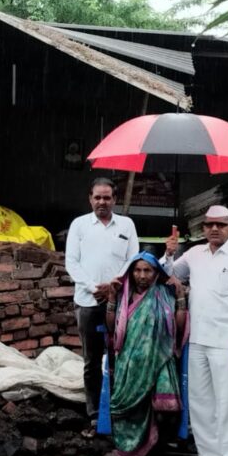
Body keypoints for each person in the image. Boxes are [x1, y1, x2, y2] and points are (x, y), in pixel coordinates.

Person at [164, 205, 228, 456]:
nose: (214, 229)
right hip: (198, 339)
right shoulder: (194, 254)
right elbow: (170, 276)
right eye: (209, 225)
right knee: (201, 403)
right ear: (202, 229)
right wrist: (169, 252)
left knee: (227, 404)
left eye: (220, 225)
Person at [65, 177, 139, 433]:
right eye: (97, 197)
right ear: (90, 199)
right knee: (92, 360)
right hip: (87, 302)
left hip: (119, 303)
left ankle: (119, 408)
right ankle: (95, 412)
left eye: (107, 197)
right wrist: (94, 288)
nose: (102, 202)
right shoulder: (80, 226)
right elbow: (71, 263)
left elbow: (133, 262)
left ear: (115, 200)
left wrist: (113, 288)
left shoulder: (127, 225)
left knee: (121, 356)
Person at [106, 252, 187, 456]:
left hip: (160, 360)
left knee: (165, 411)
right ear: (131, 273)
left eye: (147, 270)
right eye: (137, 270)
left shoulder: (163, 294)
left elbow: (178, 327)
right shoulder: (124, 296)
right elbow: (112, 327)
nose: (142, 275)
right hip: (130, 364)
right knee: (123, 411)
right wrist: (112, 299)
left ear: (155, 273)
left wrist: (180, 296)